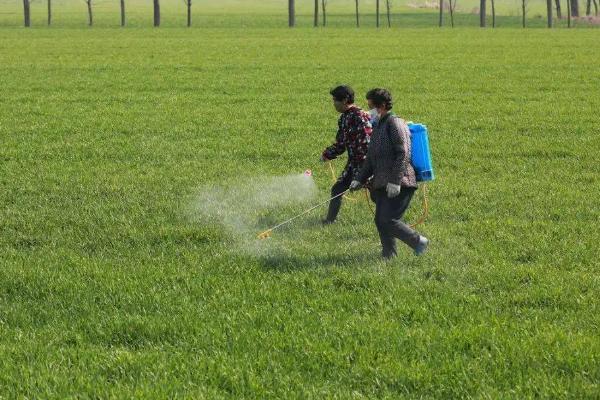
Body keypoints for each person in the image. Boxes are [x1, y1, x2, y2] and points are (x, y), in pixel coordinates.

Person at [351, 88, 429, 258]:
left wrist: (395, 181)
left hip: (401, 182)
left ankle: (418, 241)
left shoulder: (395, 123)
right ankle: (389, 255)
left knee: (387, 220)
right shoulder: (378, 126)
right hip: (381, 183)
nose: (369, 110)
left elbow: (404, 152)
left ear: (383, 105)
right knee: (381, 221)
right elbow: (371, 158)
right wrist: (358, 179)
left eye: (372, 106)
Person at [320, 85, 372, 224]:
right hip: (353, 163)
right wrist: (328, 154)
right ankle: (330, 220)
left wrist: (362, 171)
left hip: (367, 164)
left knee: (377, 195)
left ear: (344, 100)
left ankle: (390, 220)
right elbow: (342, 142)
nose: (333, 104)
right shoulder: (344, 118)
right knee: (337, 189)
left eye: (335, 100)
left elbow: (366, 143)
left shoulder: (359, 116)